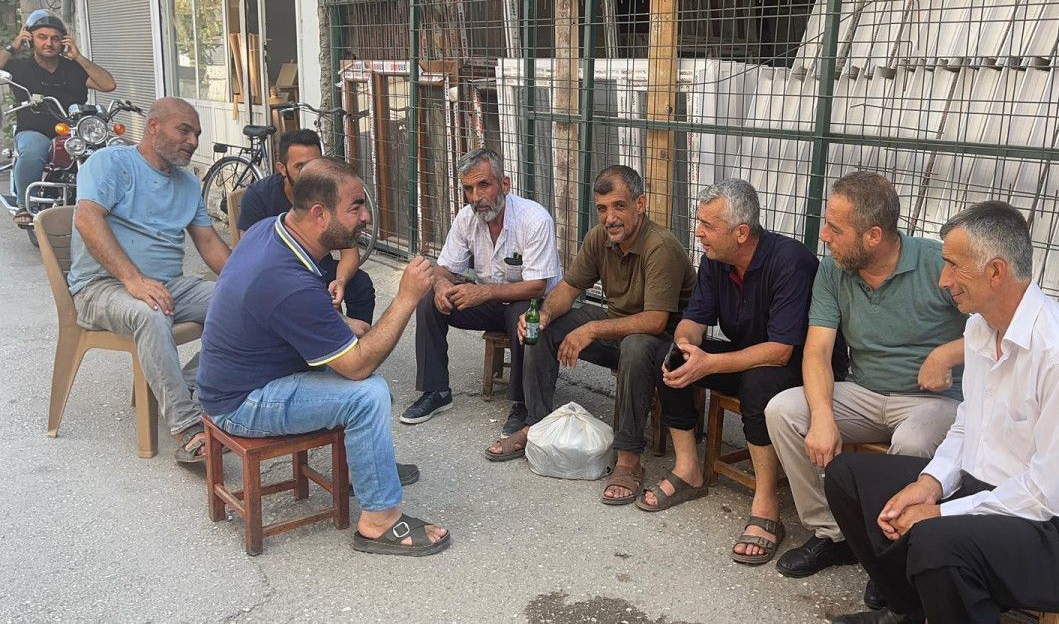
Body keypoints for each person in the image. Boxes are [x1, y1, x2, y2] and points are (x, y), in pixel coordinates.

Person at [824, 200, 1059, 624]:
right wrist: (931, 484)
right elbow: (967, 425)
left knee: (935, 540)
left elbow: (1052, 492)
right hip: (987, 488)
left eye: (954, 265)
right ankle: (912, 612)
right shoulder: (979, 327)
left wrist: (940, 512)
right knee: (848, 478)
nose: (943, 279)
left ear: (995, 271)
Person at [197, 157, 451, 557]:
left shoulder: (272, 229)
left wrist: (337, 324)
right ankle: (379, 521)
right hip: (241, 401)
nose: (365, 217)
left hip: (239, 377)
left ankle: (367, 470)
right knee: (368, 394)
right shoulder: (286, 280)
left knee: (362, 371)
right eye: (356, 207)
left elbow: (281, 312)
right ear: (319, 214)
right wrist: (406, 298)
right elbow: (358, 367)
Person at [764, 172, 966, 597]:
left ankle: (892, 555)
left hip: (933, 400)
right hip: (865, 391)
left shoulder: (938, 263)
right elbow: (817, 351)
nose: (824, 237)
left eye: (835, 229)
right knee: (783, 411)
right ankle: (833, 535)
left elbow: (1002, 326)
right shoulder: (833, 270)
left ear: (873, 235)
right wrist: (823, 417)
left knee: (913, 442)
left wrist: (946, 354)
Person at [637, 179, 843, 565]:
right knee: (670, 357)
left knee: (758, 381)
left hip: (800, 368)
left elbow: (781, 352)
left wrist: (709, 363)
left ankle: (766, 504)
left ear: (742, 232)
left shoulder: (790, 261)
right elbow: (694, 318)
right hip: (749, 357)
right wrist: (686, 345)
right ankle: (688, 470)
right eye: (699, 222)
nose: (698, 232)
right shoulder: (716, 260)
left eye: (707, 225)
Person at [485, 165, 697, 479]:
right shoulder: (600, 237)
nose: (610, 218)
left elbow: (655, 321)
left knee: (635, 346)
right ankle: (536, 425)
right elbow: (570, 287)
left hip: (663, 343)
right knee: (541, 327)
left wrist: (591, 329)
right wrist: (544, 314)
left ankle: (628, 458)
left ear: (640, 204)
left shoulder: (660, 246)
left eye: (619, 206)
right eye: (602, 208)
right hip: (618, 327)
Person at [67, 97, 229, 464]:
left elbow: (210, 245)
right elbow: (87, 220)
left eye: (197, 134)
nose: (193, 141)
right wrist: (134, 280)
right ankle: (187, 427)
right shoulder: (110, 163)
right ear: (153, 127)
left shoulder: (188, 184)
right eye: (184, 130)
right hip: (101, 287)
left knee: (244, 305)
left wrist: (254, 284)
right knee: (151, 311)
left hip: (169, 284)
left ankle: (189, 384)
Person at [405, 148, 561, 431]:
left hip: (532, 303)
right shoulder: (467, 218)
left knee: (524, 313)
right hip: (489, 303)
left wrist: (484, 292)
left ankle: (523, 403)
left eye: (483, 185)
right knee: (428, 300)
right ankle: (436, 391)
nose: (476, 197)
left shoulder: (534, 219)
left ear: (505, 184)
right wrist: (441, 285)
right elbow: (444, 268)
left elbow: (538, 287)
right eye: (468, 189)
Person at [237, 128, 376, 335]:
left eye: (315, 164)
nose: (309, 173)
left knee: (360, 283)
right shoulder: (259, 196)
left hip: (320, 267)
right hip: (279, 276)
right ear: (282, 168)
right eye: (300, 166)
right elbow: (247, 260)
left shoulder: (328, 192)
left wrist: (340, 281)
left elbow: (349, 250)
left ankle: (357, 345)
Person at [2, 9, 116, 228]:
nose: (49, 43)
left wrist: (78, 57)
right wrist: (13, 46)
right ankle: (25, 204)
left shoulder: (73, 69)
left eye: (55, 38)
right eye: (42, 37)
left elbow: (108, 84)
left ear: (63, 42)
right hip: (34, 131)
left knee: (107, 152)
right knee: (33, 149)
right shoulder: (20, 67)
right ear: (30, 39)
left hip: (74, 133)